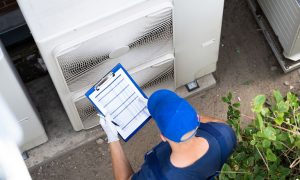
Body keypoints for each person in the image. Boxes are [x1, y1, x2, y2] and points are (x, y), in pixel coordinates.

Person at [99, 89, 236, 180]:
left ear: (163, 137)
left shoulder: (155, 175)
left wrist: (113, 138)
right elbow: (214, 122)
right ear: (197, 119)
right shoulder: (224, 133)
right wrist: (176, 116)